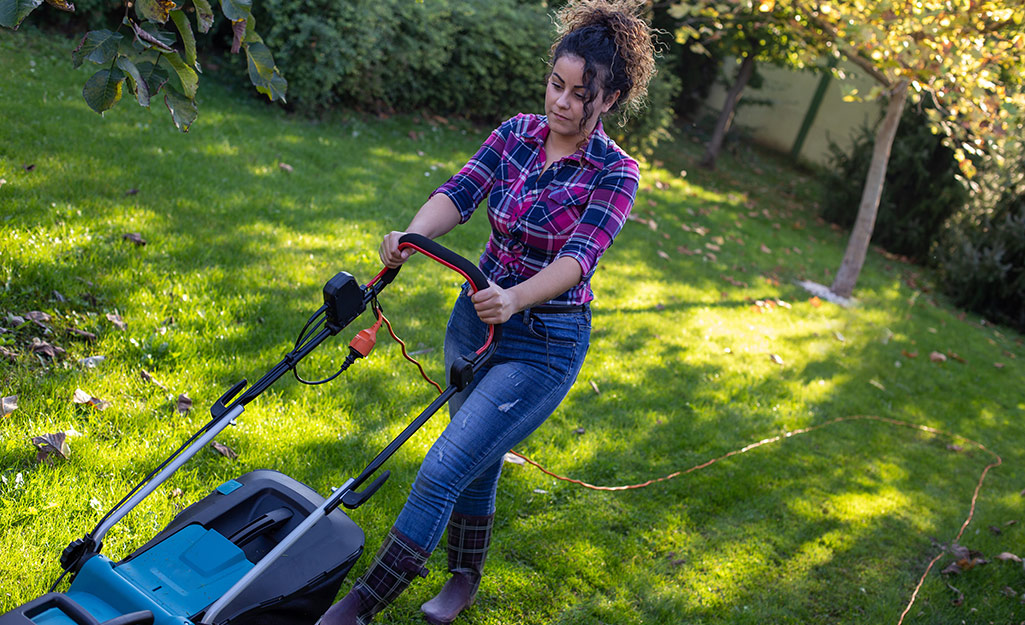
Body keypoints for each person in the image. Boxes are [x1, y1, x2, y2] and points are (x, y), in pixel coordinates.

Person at [317, 1, 656, 623]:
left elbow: (582, 257)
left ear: (609, 100)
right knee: (477, 458)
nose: (562, 102)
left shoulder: (616, 172)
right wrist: (411, 236)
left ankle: (361, 607)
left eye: (582, 94)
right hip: (474, 322)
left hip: (543, 341)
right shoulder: (516, 134)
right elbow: (462, 190)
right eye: (557, 84)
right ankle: (464, 579)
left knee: (447, 462)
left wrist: (518, 297)